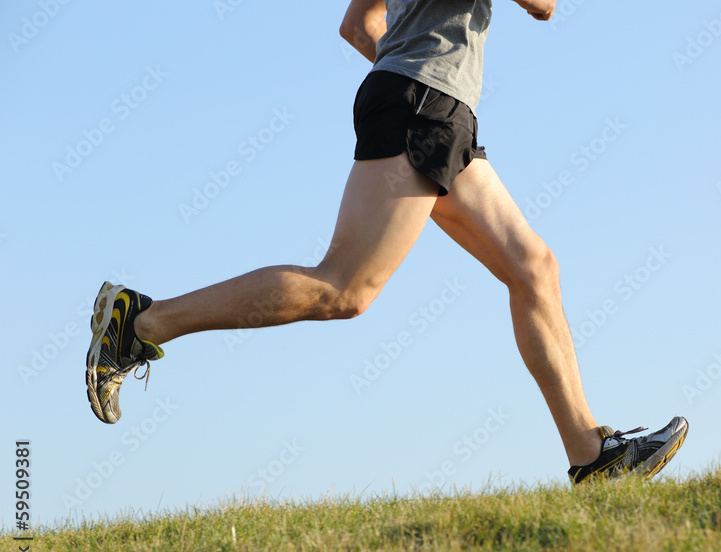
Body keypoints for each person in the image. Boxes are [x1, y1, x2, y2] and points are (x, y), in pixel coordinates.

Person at [85, 0, 688, 484]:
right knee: (345, 287)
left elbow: (358, 25)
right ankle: (140, 324)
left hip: (430, 104)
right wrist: (412, 75)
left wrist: (404, 65)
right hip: (422, 104)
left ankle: (592, 454)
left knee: (533, 267)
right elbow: (544, 5)